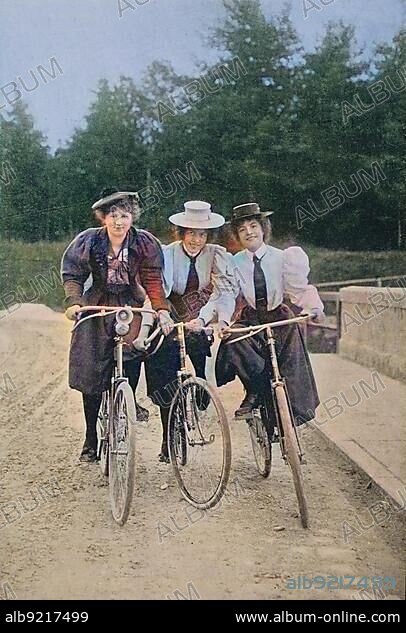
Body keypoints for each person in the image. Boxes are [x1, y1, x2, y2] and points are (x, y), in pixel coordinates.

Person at [61, 188, 172, 462]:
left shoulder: (144, 242)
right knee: (90, 361)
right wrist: (75, 302)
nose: (119, 222)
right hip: (98, 302)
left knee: (135, 345)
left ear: (132, 217)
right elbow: (73, 274)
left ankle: (127, 397)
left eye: (125, 215)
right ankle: (91, 439)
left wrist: (160, 309)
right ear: (103, 218)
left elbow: (153, 279)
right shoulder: (88, 241)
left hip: (129, 303)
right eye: (113, 216)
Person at [215, 202, 324, 432]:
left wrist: (313, 308)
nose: (249, 232)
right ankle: (254, 390)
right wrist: (224, 320)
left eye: (253, 226)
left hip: (278, 316)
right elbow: (226, 295)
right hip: (252, 317)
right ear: (237, 236)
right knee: (233, 342)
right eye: (242, 230)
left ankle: (287, 424)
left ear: (263, 229)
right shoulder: (234, 263)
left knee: (289, 368)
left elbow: (299, 289)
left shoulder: (283, 258)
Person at [141, 200, 235, 462]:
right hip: (171, 308)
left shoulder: (216, 254)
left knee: (199, 346)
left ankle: (202, 383)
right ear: (181, 233)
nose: (196, 240)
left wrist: (206, 320)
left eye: (202, 234)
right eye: (191, 233)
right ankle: (169, 436)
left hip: (200, 310)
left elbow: (222, 292)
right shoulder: (167, 253)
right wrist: (161, 316)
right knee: (162, 360)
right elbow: (159, 289)